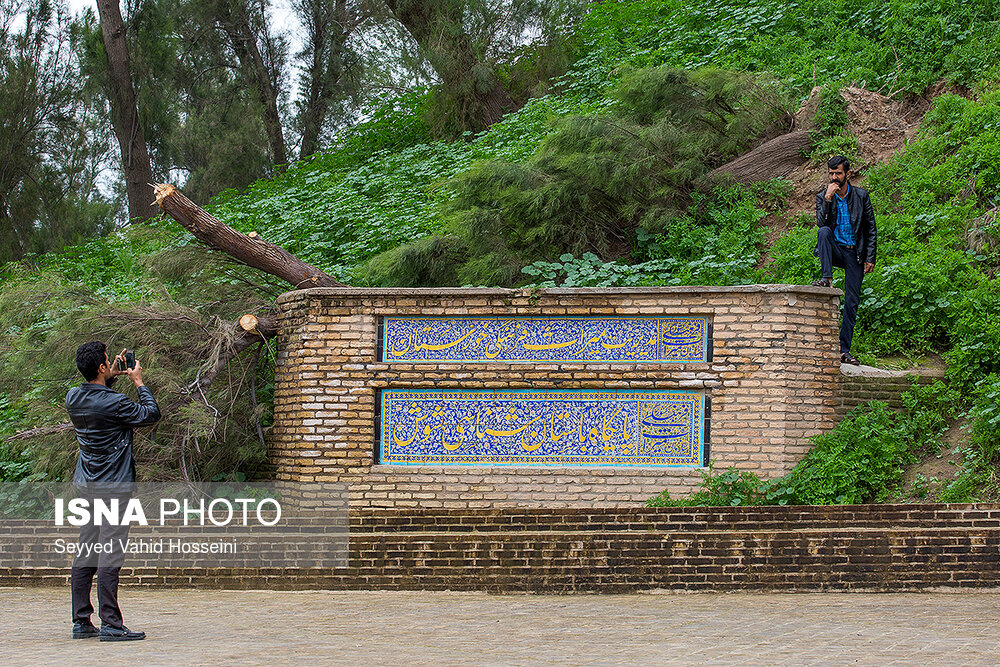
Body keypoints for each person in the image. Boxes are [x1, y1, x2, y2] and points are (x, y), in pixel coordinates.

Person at [65, 341, 160, 641]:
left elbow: (97, 395)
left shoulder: (73, 397)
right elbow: (150, 414)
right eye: (107, 361)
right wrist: (138, 381)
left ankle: (81, 621)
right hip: (114, 488)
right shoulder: (115, 403)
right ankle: (111, 624)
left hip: (88, 485)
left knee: (86, 551)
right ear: (102, 367)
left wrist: (112, 374)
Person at [813, 155, 877, 365]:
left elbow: (870, 228)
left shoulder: (861, 196)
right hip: (836, 250)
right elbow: (822, 223)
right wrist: (829, 200)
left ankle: (843, 349)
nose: (834, 178)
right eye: (831, 173)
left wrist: (869, 257)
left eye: (838, 173)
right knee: (823, 232)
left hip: (855, 253)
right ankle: (826, 277)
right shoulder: (823, 196)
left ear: (848, 174)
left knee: (851, 301)